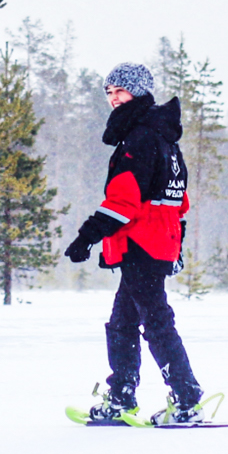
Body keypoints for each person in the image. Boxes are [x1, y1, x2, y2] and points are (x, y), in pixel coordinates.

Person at [64, 62, 204, 425]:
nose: (114, 98)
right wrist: (174, 245)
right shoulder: (164, 137)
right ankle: (122, 398)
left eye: (121, 91)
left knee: (156, 323)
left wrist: (86, 237)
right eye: (109, 92)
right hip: (154, 244)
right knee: (122, 323)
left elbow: (123, 201)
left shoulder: (140, 138)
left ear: (139, 92)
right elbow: (179, 201)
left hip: (141, 245)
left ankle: (187, 400)